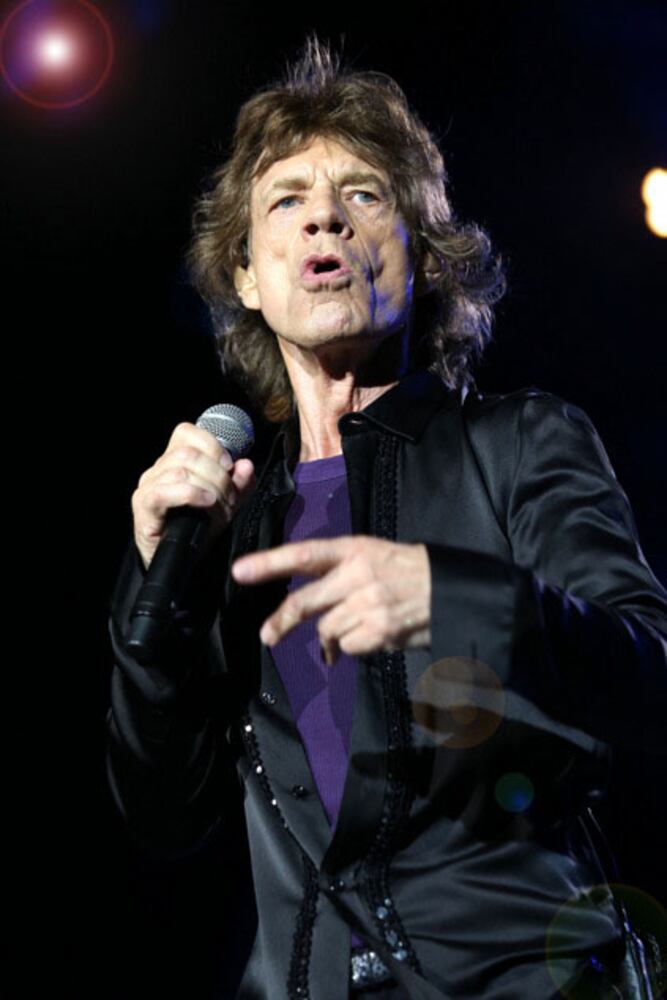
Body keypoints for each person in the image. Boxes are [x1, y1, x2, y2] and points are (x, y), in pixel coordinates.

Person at [107, 38, 667, 1000]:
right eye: (286, 200)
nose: (323, 214)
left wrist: (454, 599)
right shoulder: (234, 520)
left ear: (423, 256)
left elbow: (649, 678)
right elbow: (164, 816)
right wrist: (152, 602)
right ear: (246, 275)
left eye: (362, 194)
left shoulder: (520, 443)